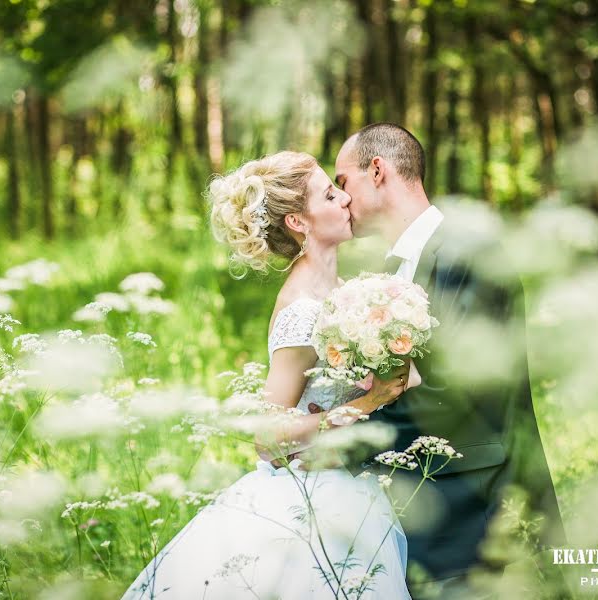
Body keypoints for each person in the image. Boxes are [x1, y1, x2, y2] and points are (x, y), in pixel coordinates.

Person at [122, 151, 412, 599]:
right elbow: (267, 439)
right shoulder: (302, 309)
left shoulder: (340, 293)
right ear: (299, 221)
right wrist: (366, 404)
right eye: (329, 194)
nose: (345, 200)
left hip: (348, 482)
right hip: (309, 498)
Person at [334, 123, 567, 599]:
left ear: (377, 171)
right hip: (422, 493)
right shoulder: (391, 269)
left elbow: (459, 388)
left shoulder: (465, 251)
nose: (341, 199)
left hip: (469, 498)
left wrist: (346, 436)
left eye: (343, 182)